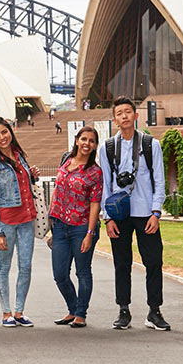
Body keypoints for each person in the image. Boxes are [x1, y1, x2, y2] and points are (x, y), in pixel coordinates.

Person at [97, 98, 170, 331]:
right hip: (119, 213)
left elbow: (159, 180)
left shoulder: (151, 145)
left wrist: (156, 212)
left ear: (136, 116)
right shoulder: (108, 147)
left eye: (128, 112)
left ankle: (154, 311)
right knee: (121, 263)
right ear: (114, 119)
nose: (124, 116)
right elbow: (104, 185)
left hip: (146, 212)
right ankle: (123, 310)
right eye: (119, 113)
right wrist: (107, 218)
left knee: (153, 262)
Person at [0, 118, 38, 328]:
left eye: (4, 132)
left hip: (27, 220)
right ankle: (6, 312)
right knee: (3, 267)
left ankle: (20, 311)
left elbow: (22, 185)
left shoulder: (19, 155)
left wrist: (32, 177)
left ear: (10, 132)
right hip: (6, 222)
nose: (2, 137)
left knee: (26, 267)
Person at [49, 127, 103, 328]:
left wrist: (90, 233)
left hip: (81, 227)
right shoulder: (66, 160)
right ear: (77, 140)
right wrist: (50, 224)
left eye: (91, 140)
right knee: (60, 274)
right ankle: (72, 308)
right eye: (84, 139)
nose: (87, 143)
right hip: (60, 226)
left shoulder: (95, 172)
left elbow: (95, 203)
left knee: (82, 271)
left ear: (95, 145)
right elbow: (57, 190)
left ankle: (81, 313)